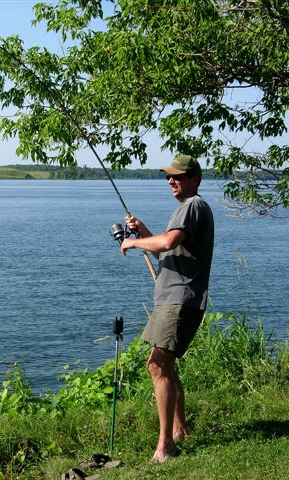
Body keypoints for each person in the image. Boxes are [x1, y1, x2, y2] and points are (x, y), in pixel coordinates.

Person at [120, 154, 214, 463]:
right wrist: (144, 231)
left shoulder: (193, 206)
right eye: (168, 177)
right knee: (165, 366)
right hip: (175, 298)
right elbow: (168, 252)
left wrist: (133, 243)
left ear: (194, 179)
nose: (171, 180)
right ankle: (179, 432)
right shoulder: (187, 209)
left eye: (178, 176)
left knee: (157, 365)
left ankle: (165, 446)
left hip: (180, 299)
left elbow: (168, 243)